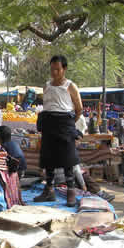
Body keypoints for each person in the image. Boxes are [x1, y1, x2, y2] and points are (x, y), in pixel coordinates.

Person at [34, 55, 83, 207]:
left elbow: (79, 108)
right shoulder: (46, 86)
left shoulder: (70, 86)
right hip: (49, 123)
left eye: (58, 69)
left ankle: (71, 192)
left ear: (64, 69)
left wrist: (69, 124)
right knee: (48, 158)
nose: (54, 72)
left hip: (65, 124)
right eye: (52, 69)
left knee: (67, 160)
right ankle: (49, 191)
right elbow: (48, 105)